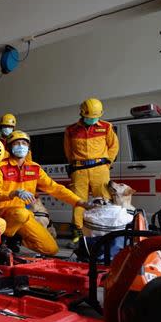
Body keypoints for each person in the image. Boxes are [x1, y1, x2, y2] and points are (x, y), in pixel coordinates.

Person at [0, 131, 92, 255]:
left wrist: (79, 202)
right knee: (21, 213)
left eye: (24, 143)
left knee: (51, 249)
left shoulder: (34, 168)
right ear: (9, 147)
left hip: (24, 216)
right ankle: (2, 240)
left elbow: (55, 188)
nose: (21, 146)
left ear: (28, 147)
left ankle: (18, 238)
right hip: (3, 214)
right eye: (17, 143)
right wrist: (12, 193)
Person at [64, 98, 119, 244]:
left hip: (100, 169)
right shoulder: (71, 130)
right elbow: (68, 151)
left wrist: (108, 162)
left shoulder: (106, 127)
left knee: (103, 201)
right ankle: (77, 236)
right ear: (82, 114)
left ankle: (103, 233)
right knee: (78, 202)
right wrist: (74, 165)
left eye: (95, 117)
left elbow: (114, 146)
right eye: (89, 118)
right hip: (79, 169)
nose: (92, 120)